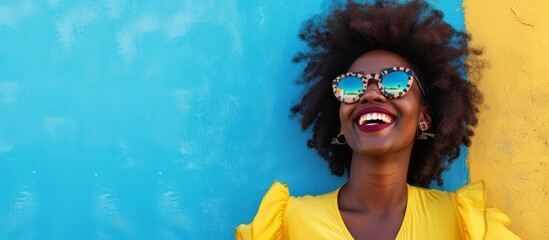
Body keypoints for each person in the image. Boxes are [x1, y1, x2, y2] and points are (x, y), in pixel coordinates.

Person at [236, 0, 520, 239]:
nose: (370, 95)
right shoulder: (290, 224)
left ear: (424, 117)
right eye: (351, 86)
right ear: (341, 120)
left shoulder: (463, 225)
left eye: (395, 81)